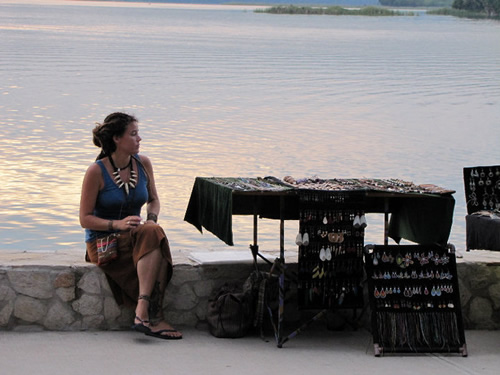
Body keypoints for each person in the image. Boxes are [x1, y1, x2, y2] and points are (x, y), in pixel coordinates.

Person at [79, 112, 182, 340]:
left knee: (153, 232)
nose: (139, 139)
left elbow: (153, 199)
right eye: (133, 134)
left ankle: (142, 312)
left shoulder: (143, 164)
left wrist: (151, 219)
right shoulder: (96, 171)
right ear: (117, 139)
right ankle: (149, 314)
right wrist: (118, 224)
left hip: (136, 237)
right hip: (103, 241)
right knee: (153, 239)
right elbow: (85, 218)